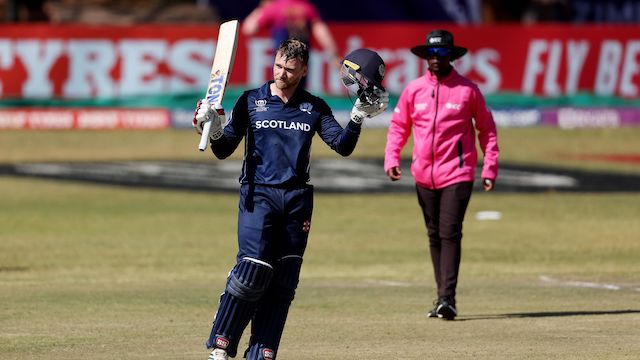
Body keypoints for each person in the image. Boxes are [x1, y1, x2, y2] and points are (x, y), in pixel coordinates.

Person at [193, 39, 388, 360]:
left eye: (290, 69)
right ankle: (221, 343)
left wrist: (356, 117)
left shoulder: (314, 107)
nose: (282, 74)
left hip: (297, 200)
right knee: (253, 269)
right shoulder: (250, 101)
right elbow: (223, 149)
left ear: (304, 71)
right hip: (259, 195)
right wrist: (212, 127)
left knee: (283, 283)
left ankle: (262, 352)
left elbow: (342, 146)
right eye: (279, 66)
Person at [383, 29, 499, 321]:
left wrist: (490, 166)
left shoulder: (467, 90)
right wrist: (391, 157)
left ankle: (448, 298)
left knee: (449, 232)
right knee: (434, 234)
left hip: (458, 173)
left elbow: (486, 129)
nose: (436, 59)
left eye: (442, 54)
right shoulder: (414, 90)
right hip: (423, 175)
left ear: (452, 57)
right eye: (432, 55)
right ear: (426, 58)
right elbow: (399, 127)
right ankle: (441, 298)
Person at [241, 0, 341, 89]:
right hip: (300, 64)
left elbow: (249, 28)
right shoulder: (306, 7)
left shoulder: (274, 8)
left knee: (281, 91)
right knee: (299, 94)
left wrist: (263, 7)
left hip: (282, 62)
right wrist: (334, 55)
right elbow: (321, 32)